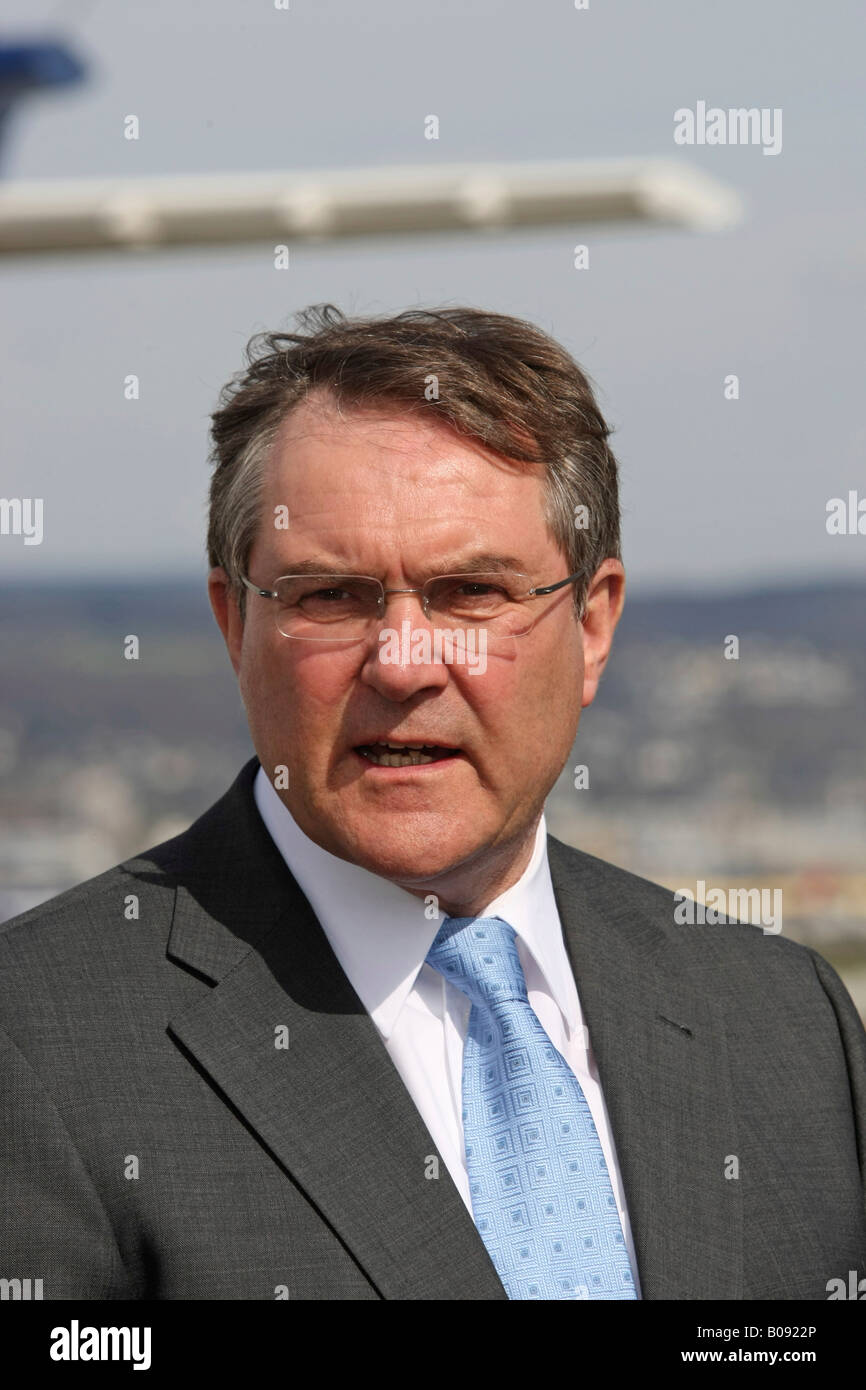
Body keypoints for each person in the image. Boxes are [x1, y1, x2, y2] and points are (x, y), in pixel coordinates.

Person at [1, 304, 864, 1301]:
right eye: (330, 596)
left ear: (589, 625)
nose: (404, 662)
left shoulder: (775, 1015)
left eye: (468, 593)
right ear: (234, 622)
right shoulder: (36, 1041)